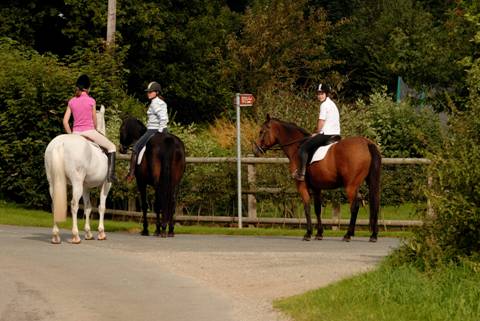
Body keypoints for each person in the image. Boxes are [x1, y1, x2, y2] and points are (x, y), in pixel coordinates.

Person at [63, 74, 117, 182]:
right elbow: (95, 121)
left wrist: (71, 135)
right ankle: (110, 176)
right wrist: (95, 130)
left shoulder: (71, 101)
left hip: (75, 134)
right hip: (89, 131)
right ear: (88, 88)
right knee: (112, 147)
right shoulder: (91, 101)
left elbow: (65, 122)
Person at [294, 83, 341, 181]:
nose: (319, 96)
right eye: (318, 93)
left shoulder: (324, 105)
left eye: (322, 93)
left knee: (303, 148)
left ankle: (301, 174)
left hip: (326, 134)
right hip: (336, 134)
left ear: (327, 94)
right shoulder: (332, 104)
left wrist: (317, 132)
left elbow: (321, 121)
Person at [126, 81, 169, 182]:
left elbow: (163, 118)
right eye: (148, 92)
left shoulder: (155, 103)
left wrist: (159, 132)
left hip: (153, 130)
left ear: (157, 92)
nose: (148, 93)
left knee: (135, 148)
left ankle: (131, 174)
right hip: (165, 130)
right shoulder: (162, 102)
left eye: (151, 92)